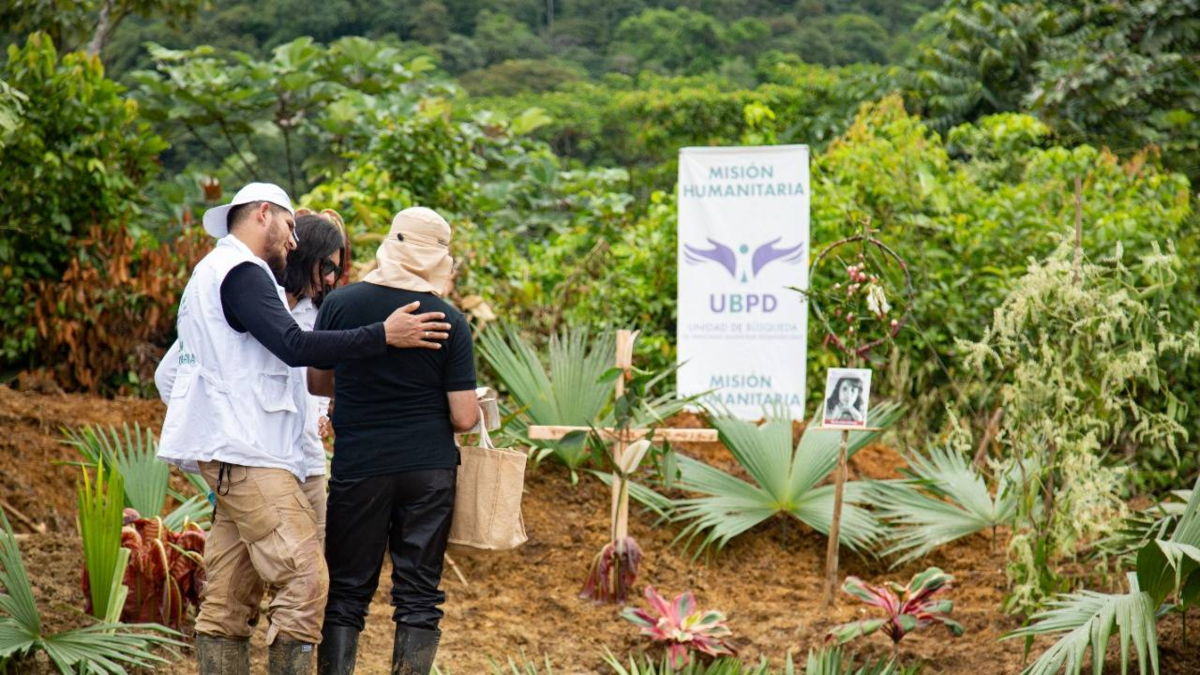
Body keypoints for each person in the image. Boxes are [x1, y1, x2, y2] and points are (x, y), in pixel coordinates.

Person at [155, 183, 452, 675]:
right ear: (263, 214)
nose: (293, 242)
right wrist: (384, 334)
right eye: (290, 227)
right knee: (305, 580)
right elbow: (294, 347)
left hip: (259, 453)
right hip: (249, 453)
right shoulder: (241, 271)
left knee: (228, 598)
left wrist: (211, 428)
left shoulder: (222, 275)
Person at [308, 207, 479, 675]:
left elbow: (317, 383)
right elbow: (464, 417)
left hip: (360, 465)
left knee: (346, 590)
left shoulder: (341, 305)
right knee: (418, 594)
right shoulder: (449, 320)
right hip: (428, 471)